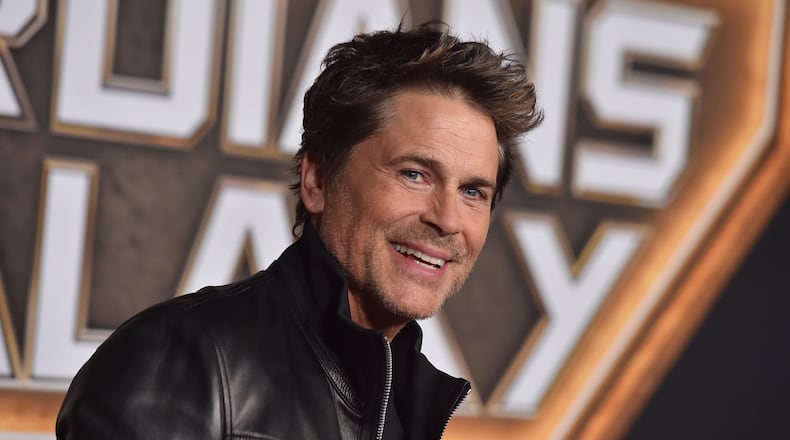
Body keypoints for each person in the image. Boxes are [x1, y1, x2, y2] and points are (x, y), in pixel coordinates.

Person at [56, 22, 541, 440]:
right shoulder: (182, 358)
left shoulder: (406, 406)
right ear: (317, 180)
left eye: (474, 192)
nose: (449, 219)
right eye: (415, 174)